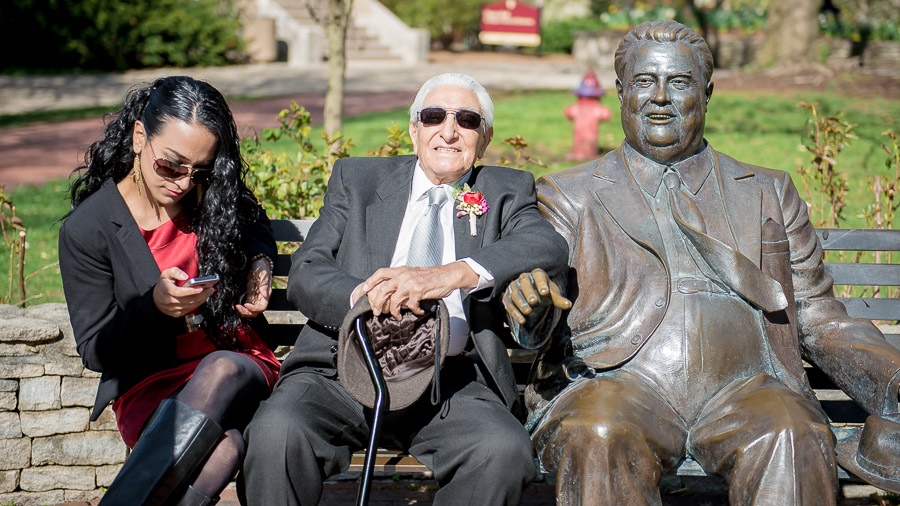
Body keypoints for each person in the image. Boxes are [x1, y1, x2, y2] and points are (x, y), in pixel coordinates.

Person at [503, 20, 900, 506]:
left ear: (707, 93)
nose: (661, 98)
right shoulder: (570, 194)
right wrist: (532, 309)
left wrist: (890, 376)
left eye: (680, 82)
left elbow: (818, 316)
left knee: (792, 432)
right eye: (646, 82)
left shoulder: (766, 191)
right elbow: (539, 289)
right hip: (615, 383)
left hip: (748, 388)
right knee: (600, 429)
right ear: (622, 92)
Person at [239, 73, 568, 506]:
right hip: (341, 367)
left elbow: (546, 245)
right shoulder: (358, 179)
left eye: (466, 120)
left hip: (448, 383)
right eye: (433, 116)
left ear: (483, 139)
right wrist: (364, 297)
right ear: (414, 130)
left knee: (500, 451)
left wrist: (448, 274)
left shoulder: (504, 191)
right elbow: (306, 270)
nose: (448, 131)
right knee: (276, 432)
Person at [59, 75, 280, 506]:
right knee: (226, 447)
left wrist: (261, 261)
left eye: (199, 171)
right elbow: (94, 349)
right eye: (171, 165)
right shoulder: (89, 228)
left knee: (220, 369)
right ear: (140, 137)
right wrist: (155, 307)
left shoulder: (207, 197)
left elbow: (253, 218)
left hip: (238, 362)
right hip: (150, 381)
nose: (183, 182)